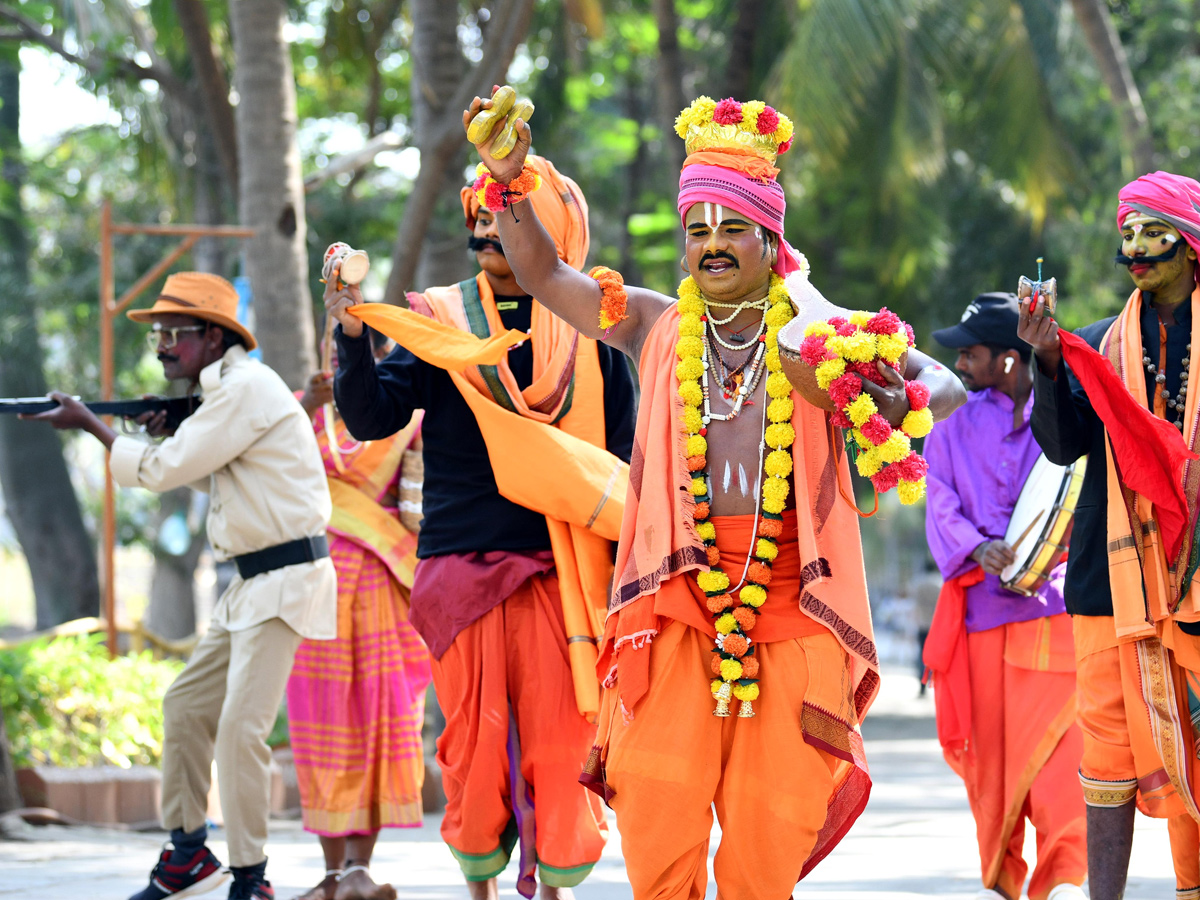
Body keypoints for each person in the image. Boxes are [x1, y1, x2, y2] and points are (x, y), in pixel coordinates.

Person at [457, 91, 965, 897]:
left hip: (796, 603)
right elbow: (547, 276)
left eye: (733, 229)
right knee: (658, 816)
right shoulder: (654, 324)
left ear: (771, 240)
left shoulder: (824, 339)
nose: (713, 245)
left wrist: (894, 400)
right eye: (699, 230)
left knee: (770, 835)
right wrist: (511, 180)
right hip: (679, 600)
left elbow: (941, 383)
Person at [323, 155, 636, 900]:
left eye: (508, 213)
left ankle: (554, 890)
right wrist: (348, 336)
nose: (489, 228)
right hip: (463, 566)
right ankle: (481, 892)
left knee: (565, 744)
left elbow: (627, 462)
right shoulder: (441, 321)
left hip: (569, 571)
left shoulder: (598, 325)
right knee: (474, 742)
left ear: (553, 226)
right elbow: (371, 417)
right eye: (482, 216)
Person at [25, 272, 337, 900]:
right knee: (185, 707)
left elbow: (166, 471)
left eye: (176, 333)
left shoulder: (244, 388)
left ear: (215, 336)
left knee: (240, 731)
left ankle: (251, 878)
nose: (164, 345)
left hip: (283, 579)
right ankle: (189, 855)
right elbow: (210, 476)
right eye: (159, 335)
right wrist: (163, 430)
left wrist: (95, 425)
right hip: (250, 584)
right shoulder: (226, 393)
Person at [1020, 170, 1200, 900]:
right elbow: (1063, 447)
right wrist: (1047, 361)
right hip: (1110, 582)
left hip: (1195, 575)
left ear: (1190, 244)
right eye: (1126, 233)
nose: (1134, 247)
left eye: (1151, 232)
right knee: (1107, 750)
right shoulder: (1094, 345)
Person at [924, 292, 1086, 900]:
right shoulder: (950, 421)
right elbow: (937, 494)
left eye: (971, 353)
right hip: (981, 622)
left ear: (1011, 361)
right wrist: (973, 546)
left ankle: (1065, 878)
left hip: (1056, 614)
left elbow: (1081, 499)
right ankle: (1005, 880)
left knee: (1060, 766)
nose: (960, 364)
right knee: (991, 769)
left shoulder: (1066, 415)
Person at [287, 337, 432, 900]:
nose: (336, 366)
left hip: (381, 584)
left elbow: (419, 507)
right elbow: (264, 461)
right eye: (331, 354)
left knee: (379, 720)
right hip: (313, 581)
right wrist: (302, 407)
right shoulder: (306, 409)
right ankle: (331, 875)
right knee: (320, 722)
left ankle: (357, 869)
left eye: (347, 356)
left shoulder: (404, 414)